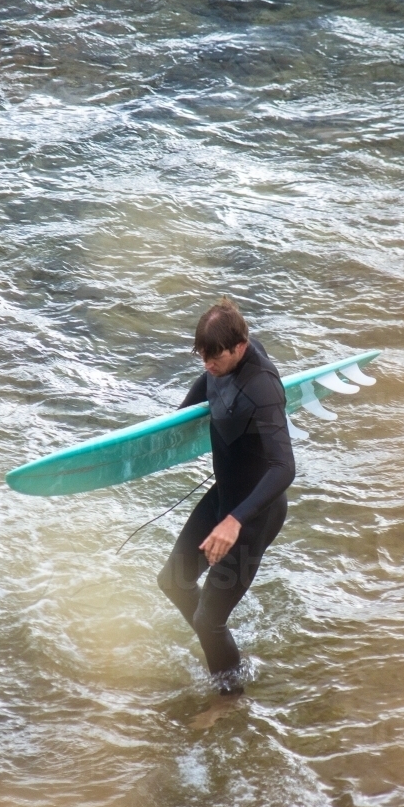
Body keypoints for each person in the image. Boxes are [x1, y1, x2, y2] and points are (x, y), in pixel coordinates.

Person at [157, 297, 295, 695]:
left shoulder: (264, 389)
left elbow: (284, 467)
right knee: (173, 581)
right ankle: (217, 643)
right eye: (202, 357)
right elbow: (210, 381)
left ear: (240, 346)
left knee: (208, 620)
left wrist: (234, 522)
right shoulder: (219, 360)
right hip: (225, 497)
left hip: (253, 517)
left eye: (214, 357)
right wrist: (176, 419)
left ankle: (230, 697)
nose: (207, 365)